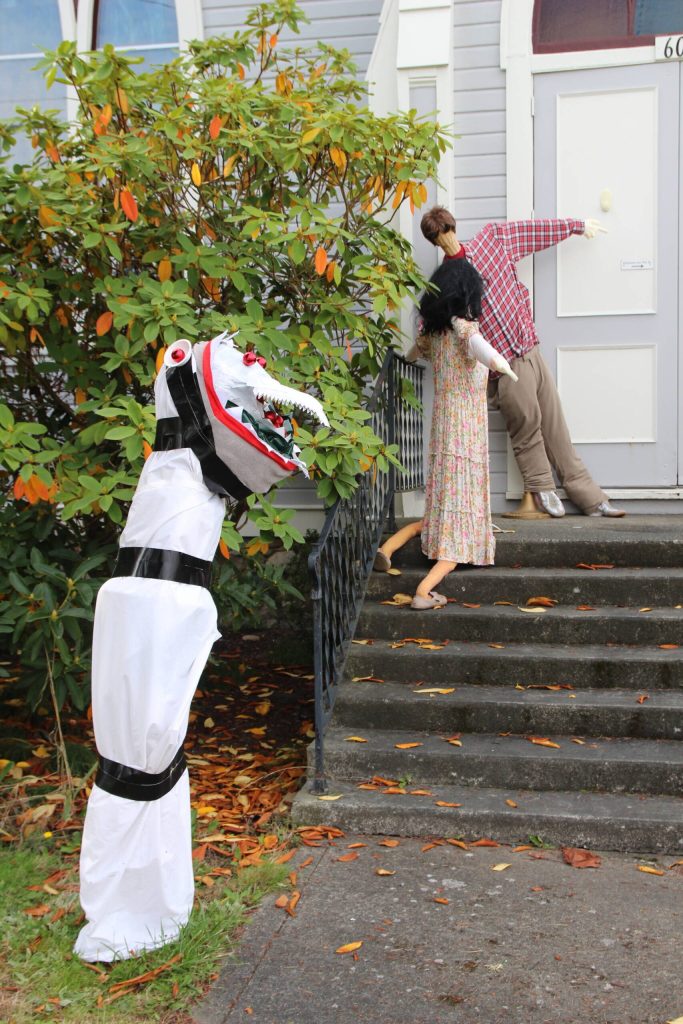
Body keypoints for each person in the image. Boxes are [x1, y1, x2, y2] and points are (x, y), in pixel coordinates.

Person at [419, 206, 624, 518]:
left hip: (531, 350)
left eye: (446, 230)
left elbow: (534, 231)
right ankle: (542, 489)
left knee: (556, 426)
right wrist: (423, 340)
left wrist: (577, 225)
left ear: (453, 227)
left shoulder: (493, 241)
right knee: (526, 427)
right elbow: (431, 321)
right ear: (434, 241)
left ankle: (591, 498)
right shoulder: (445, 281)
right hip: (503, 368)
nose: (445, 239)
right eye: (437, 237)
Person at [374, 259, 517, 608]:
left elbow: (410, 355)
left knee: (443, 500)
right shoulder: (465, 330)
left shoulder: (431, 335)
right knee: (461, 494)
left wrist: (400, 359)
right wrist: (504, 367)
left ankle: (387, 548)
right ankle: (425, 590)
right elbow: (487, 354)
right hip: (466, 428)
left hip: (442, 426)